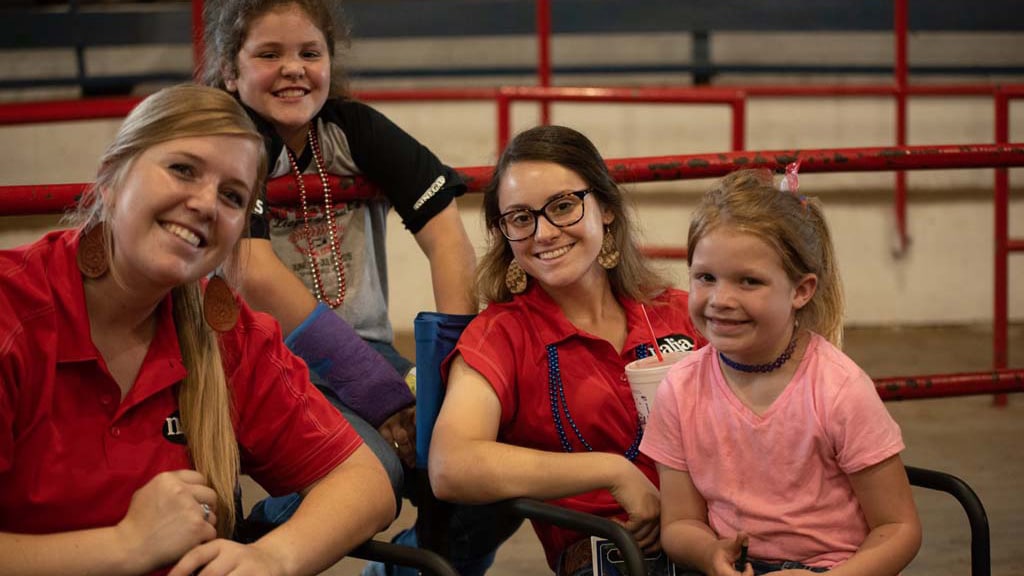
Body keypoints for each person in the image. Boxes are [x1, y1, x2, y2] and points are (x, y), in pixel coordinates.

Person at [0, 84, 394, 575]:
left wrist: (273, 557)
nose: (206, 204)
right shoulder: (14, 310)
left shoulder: (226, 333)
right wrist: (126, 545)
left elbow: (365, 480)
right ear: (111, 179)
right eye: (182, 170)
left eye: (232, 196)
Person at [202, 1, 491, 573]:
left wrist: (454, 372)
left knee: (485, 468)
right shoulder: (228, 140)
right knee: (375, 470)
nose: (294, 68)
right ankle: (254, 539)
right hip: (262, 364)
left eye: (310, 53)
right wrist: (379, 393)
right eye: (269, 54)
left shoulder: (350, 127)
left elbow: (447, 236)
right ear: (231, 73)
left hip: (369, 355)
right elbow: (254, 275)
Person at [429, 124, 707, 575]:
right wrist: (612, 472)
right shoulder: (501, 334)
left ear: (607, 208)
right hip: (611, 557)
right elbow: (450, 464)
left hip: (723, 541)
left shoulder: (678, 312)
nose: (543, 233)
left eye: (562, 207)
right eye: (520, 218)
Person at [640, 168, 922, 576]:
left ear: (801, 290)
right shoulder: (679, 389)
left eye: (749, 281)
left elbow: (899, 527)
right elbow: (681, 524)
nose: (720, 299)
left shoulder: (839, 389)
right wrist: (709, 553)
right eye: (705, 278)